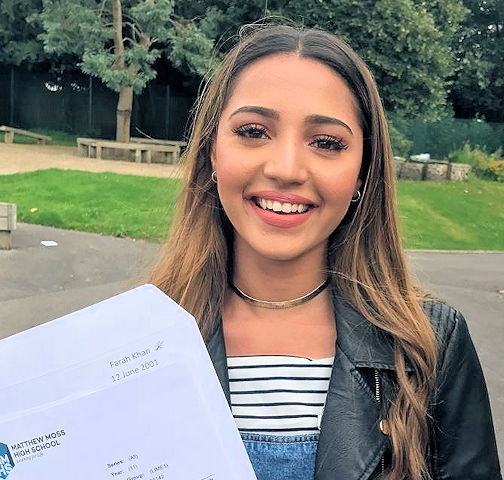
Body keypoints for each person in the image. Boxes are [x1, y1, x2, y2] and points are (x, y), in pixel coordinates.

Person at [148, 24, 501, 480]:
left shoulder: (429, 345)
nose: (286, 169)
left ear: (362, 173)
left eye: (326, 143)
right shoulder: (135, 341)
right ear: (212, 152)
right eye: (254, 131)